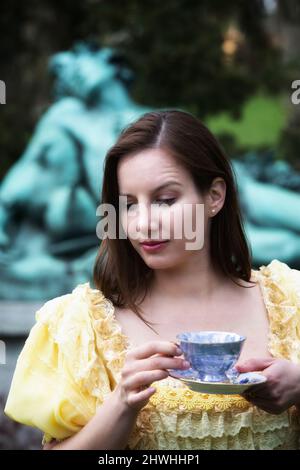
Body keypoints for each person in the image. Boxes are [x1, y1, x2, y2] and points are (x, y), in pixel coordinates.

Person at [4, 110, 300, 450]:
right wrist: (122, 403)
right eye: (129, 205)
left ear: (214, 196)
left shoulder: (290, 300)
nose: (143, 222)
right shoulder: (82, 325)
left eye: (165, 200)